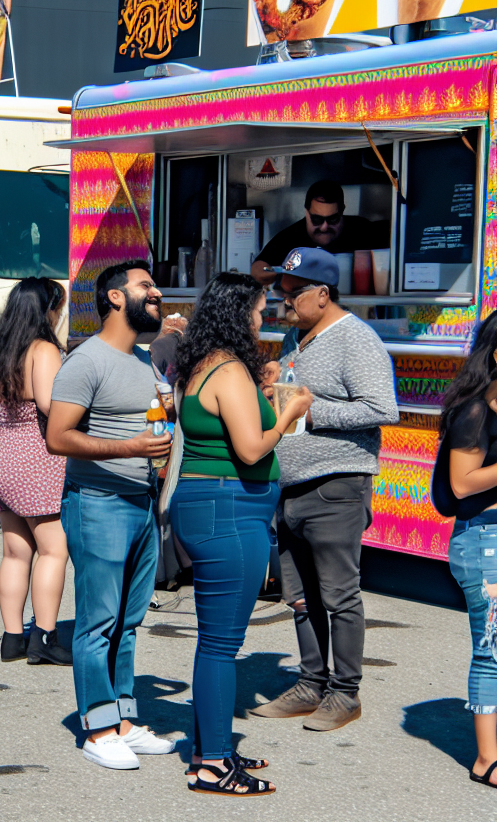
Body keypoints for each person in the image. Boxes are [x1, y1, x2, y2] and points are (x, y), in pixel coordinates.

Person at [172, 273, 312, 796]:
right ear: (239, 312)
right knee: (221, 645)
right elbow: (253, 449)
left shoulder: (206, 365)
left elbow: (231, 431)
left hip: (216, 507)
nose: (264, 315)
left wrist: (265, 392)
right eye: (258, 308)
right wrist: (291, 411)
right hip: (229, 510)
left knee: (216, 642)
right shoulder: (229, 370)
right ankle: (212, 764)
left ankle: (211, 750)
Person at [250, 248, 398, 731]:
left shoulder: (356, 339)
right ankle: (311, 682)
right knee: (299, 595)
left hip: (335, 484)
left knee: (339, 595)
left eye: (292, 293)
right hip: (292, 486)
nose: (282, 301)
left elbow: (382, 408)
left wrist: (313, 412)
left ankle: (345, 693)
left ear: (323, 293)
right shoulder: (298, 336)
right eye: (280, 291)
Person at [45, 260, 177, 770]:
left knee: (128, 621)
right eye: (146, 285)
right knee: (97, 623)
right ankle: (97, 730)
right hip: (98, 505)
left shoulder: (145, 360)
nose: (157, 291)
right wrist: (130, 448)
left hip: (142, 505)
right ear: (116, 298)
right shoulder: (86, 361)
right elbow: (57, 437)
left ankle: (122, 721)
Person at [0, 277, 71, 666]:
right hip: (36, 454)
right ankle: (45, 638)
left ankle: (12, 637)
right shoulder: (43, 349)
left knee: (16, 552)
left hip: (1, 451)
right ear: (46, 309)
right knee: (54, 549)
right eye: (59, 307)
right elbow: (52, 406)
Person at [433, 313, 497, 787]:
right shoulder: (475, 411)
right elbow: (462, 482)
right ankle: (486, 760)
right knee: (491, 650)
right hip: (484, 540)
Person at [250, 181, 388, 286]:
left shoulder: (361, 229)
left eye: (332, 219)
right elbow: (257, 269)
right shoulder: (291, 237)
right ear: (306, 212)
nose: (324, 227)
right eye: (317, 219)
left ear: (342, 211)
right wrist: (274, 273)